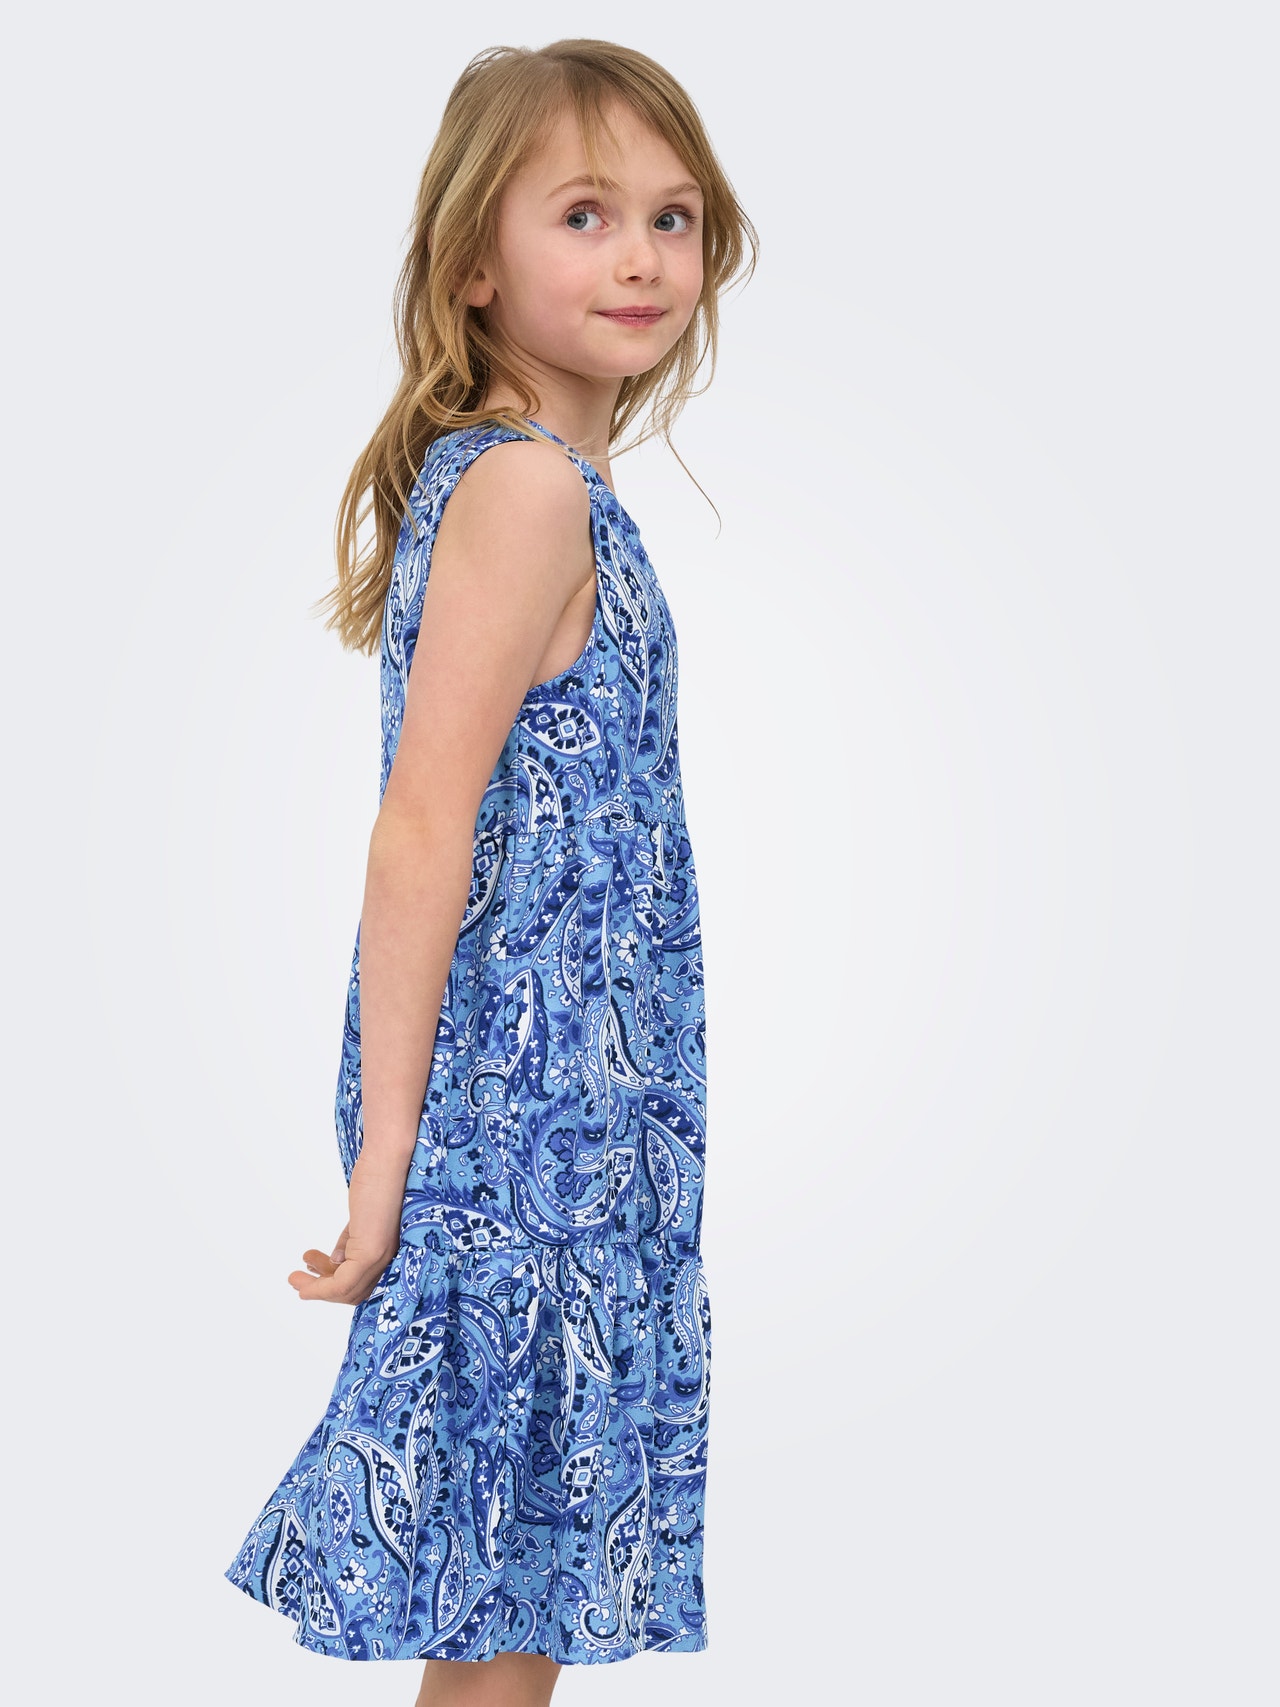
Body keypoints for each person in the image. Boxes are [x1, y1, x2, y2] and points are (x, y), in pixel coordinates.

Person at [223, 37, 756, 1707]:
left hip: (579, 1130)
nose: (641, 256)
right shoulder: (525, 491)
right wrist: (388, 1163)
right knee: (500, 1617)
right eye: (584, 215)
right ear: (473, 264)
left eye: (672, 217)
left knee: (510, 1607)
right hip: (525, 1143)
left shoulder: (554, 488)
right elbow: (421, 824)